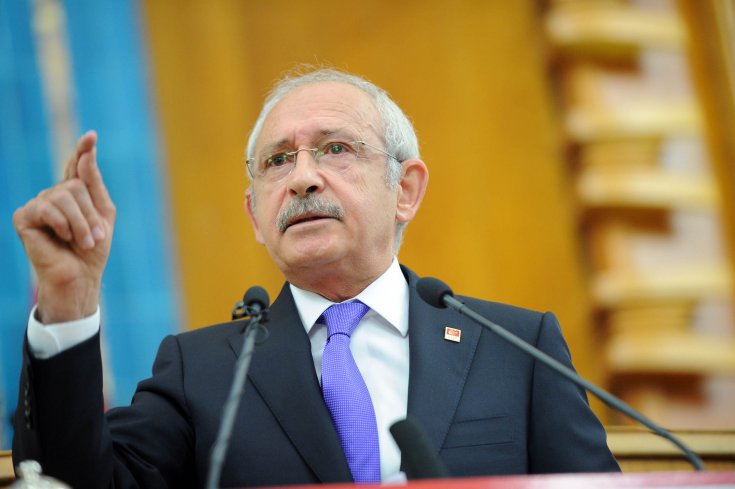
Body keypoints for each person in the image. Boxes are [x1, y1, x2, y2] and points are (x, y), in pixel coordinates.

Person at [12, 68, 619, 488]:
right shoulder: (203, 372)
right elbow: (73, 484)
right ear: (255, 214)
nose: (302, 178)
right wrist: (69, 302)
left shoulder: (517, 350)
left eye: (335, 149)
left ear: (405, 190)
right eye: (278, 160)